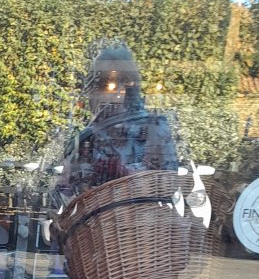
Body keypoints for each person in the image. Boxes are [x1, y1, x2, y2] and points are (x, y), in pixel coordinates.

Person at [55, 43, 179, 204]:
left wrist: (127, 174)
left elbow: (168, 182)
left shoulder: (153, 128)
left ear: (127, 87)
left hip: (139, 217)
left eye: (110, 83)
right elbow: (66, 191)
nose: (101, 94)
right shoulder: (87, 137)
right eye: (97, 84)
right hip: (96, 218)